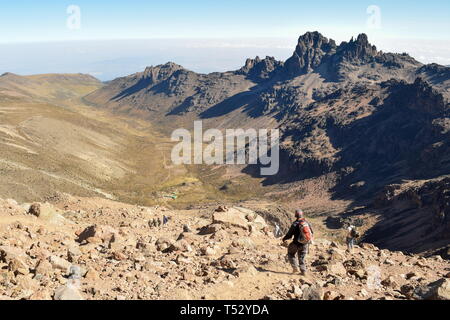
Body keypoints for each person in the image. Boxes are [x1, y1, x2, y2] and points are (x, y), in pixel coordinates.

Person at [282, 209, 313, 276]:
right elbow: (311, 232)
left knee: (291, 254)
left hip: (295, 243)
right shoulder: (307, 223)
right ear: (302, 214)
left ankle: (295, 267)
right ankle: (303, 271)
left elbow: (289, 235)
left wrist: (284, 239)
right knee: (302, 258)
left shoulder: (294, 224)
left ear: (296, 215)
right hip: (305, 244)